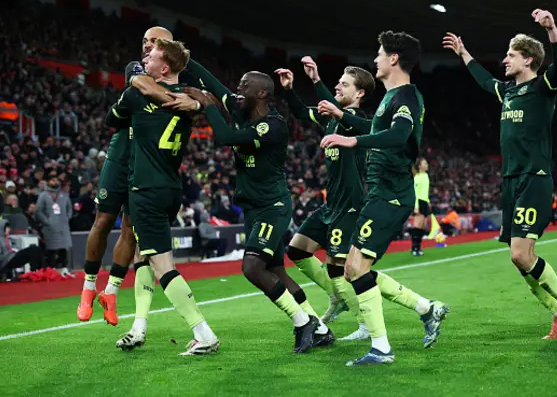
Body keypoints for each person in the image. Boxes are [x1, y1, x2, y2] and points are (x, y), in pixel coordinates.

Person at [443, 8, 557, 341]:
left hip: (534, 177)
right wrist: (464, 53)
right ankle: (556, 313)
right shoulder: (507, 92)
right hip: (510, 180)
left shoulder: (543, 87)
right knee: (517, 258)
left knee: (522, 254)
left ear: (529, 61)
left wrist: (553, 31)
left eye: (511, 55)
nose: (505, 60)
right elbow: (482, 79)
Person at [320, 31, 449, 366]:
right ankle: (427, 309)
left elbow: (397, 135)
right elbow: (377, 131)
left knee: (355, 267)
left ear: (394, 58)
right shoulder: (391, 98)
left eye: (379, 54)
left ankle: (381, 348)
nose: (374, 59)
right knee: (353, 269)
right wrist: (342, 118)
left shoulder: (406, 97)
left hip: (392, 195)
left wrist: (351, 142)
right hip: (381, 193)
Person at [183, 61, 326, 353]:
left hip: (271, 206)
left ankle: (302, 322)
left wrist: (208, 105)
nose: (237, 90)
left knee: (251, 267)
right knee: (278, 273)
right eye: (238, 86)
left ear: (261, 94)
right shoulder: (240, 109)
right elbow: (212, 81)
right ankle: (320, 329)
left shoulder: (272, 125)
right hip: (253, 206)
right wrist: (183, 60)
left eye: (244, 86)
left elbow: (226, 138)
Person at [77, 26, 198, 326]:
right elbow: (140, 89)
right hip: (122, 154)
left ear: (166, 49)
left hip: (147, 162)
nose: (146, 46)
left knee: (131, 229)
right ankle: (87, 288)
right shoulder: (137, 70)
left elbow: (203, 96)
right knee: (103, 220)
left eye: (154, 43)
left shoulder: (175, 74)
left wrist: (197, 101)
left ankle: (111, 291)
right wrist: (183, 101)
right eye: (144, 41)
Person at [106, 38, 219, 355]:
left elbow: (111, 120)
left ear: (164, 66)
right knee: (144, 254)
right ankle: (139, 326)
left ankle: (203, 332)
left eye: (151, 55)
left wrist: (132, 91)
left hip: (146, 190)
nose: (146, 57)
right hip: (171, 188)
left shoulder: (136, 94)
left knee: (163, 267)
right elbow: (209, 101)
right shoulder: (188, 98)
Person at [275, 61, 376, 336]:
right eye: (337, 83)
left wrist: (318, 81)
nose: (337, 86)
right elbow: (298, 111)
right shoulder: (332, 119)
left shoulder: (357, 124)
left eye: (344, 84)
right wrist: (290, 89)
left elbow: (369, 128)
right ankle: (336, 297)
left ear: (360, 93)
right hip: (331, 204)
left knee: (339, 268)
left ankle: (366, 323)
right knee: (296, 250)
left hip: (351, 205)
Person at [36, 176, 73, 276]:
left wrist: (67, 218)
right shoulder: (43, 195)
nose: (54, 181)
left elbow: (69, 208)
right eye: (52, 179)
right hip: (50, 227)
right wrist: (47, 221)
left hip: (63, 226)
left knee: (64, 247)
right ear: (48, 182)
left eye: (56, 179)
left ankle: (64, 268)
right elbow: (38, 211)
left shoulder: (64, 195)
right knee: (51, 248)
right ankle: (50, 269)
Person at [411, 157, 431, 256]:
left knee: (423, 226)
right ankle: (414, 247)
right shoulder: (417, 177)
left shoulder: (426, 175)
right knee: (417, 225)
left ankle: (418, 246)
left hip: (425, 201)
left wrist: (428, 202)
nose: (427, 165)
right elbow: (415, 192)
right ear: (420, 166)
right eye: (425, 163)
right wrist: (416, 206)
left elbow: (424, 191)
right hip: (418, 202)